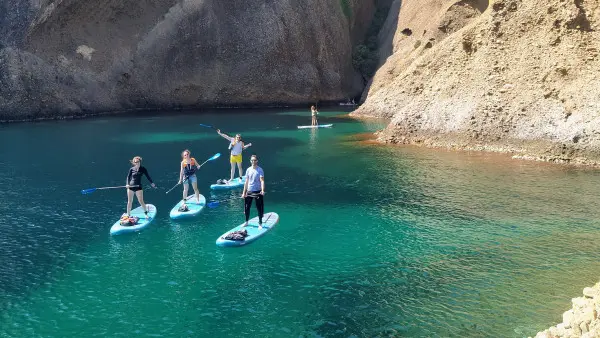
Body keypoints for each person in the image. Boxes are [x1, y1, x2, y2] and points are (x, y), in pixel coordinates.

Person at [241, 154, 265, 229]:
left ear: (257, 161)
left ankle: (260, 223)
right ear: (250, 161)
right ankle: (246, 222)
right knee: (246, 207)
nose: (253, 161)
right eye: (252, 160)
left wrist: (262, 190)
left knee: (259, 208)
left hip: (258, 192)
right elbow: (246, 182)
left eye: (254, 160)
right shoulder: (248, 170)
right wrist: (243, 193)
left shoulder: (260, 170)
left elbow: (262, 181)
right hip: (249, 191)